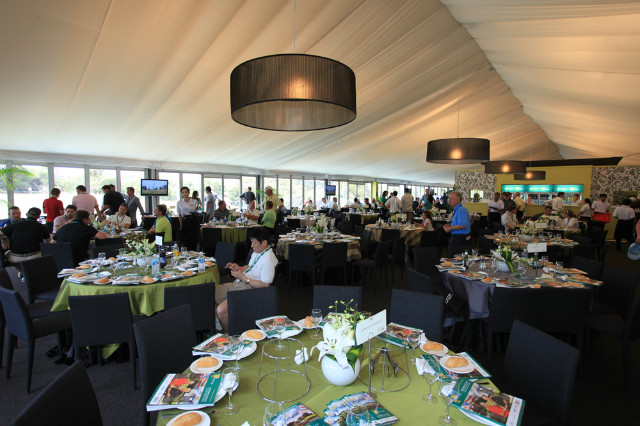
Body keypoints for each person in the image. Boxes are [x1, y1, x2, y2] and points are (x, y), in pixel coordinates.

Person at [215, 228, 277, 331]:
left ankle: (231, 335)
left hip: (251, 290)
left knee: (221, 310)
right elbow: (250, 266)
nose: (252, 246)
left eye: (254, 243)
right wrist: (239, 268)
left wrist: (243, 278)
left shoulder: (269, 259)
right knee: (210, 293)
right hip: (240, 283)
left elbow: (265, 285)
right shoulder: (258, 251)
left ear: (264, 243)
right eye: (251, 242)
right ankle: (219, 323)